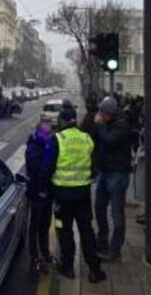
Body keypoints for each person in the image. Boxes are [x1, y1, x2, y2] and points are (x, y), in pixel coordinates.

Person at [50, 105, 107, 283]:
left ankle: (67, 266)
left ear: (62, 121)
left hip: (62, 195)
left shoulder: (58, 139)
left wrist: (44, 188)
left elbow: (48, 166)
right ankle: (95, 269)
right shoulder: (86, 138)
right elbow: (95, 162)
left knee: (64, 230)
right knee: (86, 230)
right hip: (83, 193)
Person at [92, 96, 132, 261]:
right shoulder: (107, 123)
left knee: (117, 213)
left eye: (101, 112)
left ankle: (115, 249)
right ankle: (102, 240)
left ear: (107, 113)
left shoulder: (121, 124)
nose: (99, 115)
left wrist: (100, 125)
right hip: (105, 171)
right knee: (99, 207)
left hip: (117, 173)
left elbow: (109, 140)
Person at [25, 120, 56, 275]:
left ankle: (45, 252)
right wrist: (41, 189)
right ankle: (34, 258)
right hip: (37, 192)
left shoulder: (48, 144)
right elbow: (36, 169)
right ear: (38, 133)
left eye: (50, 133)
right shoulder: (33, 147)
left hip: (48, 192)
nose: (48, 136)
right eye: (45, 133)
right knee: (35, 227)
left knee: (45, 224)